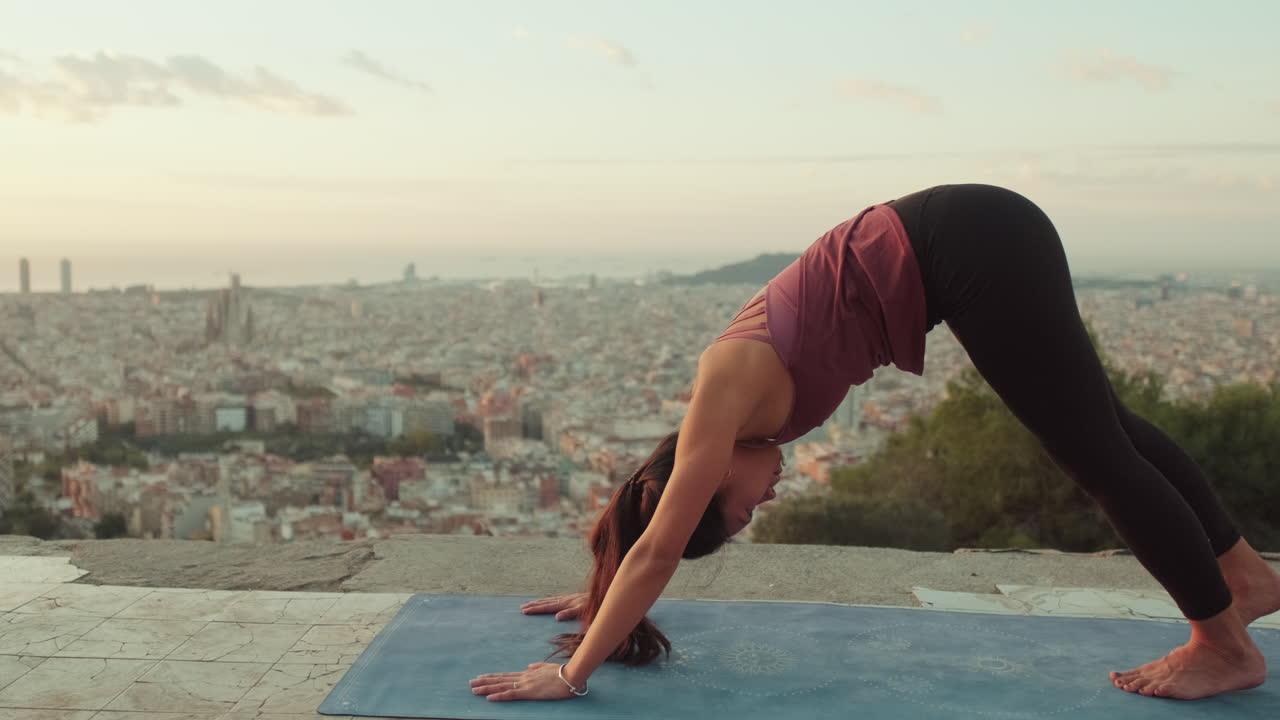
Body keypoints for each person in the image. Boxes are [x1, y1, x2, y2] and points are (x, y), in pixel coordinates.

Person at [469, 184, 1280, 704]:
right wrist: (607, 595)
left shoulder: (718, 402)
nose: (769, 500)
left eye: (744, 509)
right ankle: (1242, 579)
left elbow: (657, 549)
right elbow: (650, 542)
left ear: (711, 476)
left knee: (1093, 453)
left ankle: (1222, 643)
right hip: (977, 236)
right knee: (1107, 430)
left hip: (971, 245)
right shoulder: (737, 423)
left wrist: (571, 676)